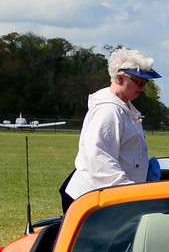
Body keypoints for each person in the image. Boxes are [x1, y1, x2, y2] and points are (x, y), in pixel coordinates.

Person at [63, 48, 161, 209]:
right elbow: (98, 158)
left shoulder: (122, 107)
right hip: (94, 198)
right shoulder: (108, 110)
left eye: (146, 83)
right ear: (121, 78)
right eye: (140, 82)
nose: (143, 88)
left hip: (108, 195)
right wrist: (127, 193)